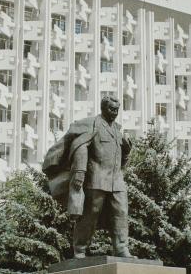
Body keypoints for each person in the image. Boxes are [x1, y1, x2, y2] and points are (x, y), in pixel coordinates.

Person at [68, 95, 134, 259]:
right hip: (96, 178)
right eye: (112, 109)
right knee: (90, 214)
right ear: (103, 108)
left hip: (117, 181)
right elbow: (81, 147)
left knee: (121, 212)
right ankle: (80, 249)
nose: (114, 113)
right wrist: (80, 172)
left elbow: (122, 161)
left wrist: (127, 150)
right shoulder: (93, 125)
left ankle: (121, 248)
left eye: (117, 110)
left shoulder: (118, 131)